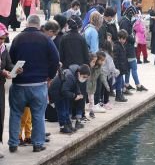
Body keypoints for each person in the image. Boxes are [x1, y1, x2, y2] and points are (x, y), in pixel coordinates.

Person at [8, 14, 60, 153]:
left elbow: (10, 59)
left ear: (27, 23)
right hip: (39, 84)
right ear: (39, 25)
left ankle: (13, 144)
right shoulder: (45, 39)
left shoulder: (17, 39)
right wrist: (50, 76)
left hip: (19, 84)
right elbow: (56, 59)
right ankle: (38, 144)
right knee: (38, 115)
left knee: (15, 114)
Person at [49, 64, 89, 133]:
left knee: (67, 108)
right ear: (79, 73)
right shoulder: (70, 76)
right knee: (62, 109)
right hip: (57, 93)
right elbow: (64, 90)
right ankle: (63, 126)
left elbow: (76, 86)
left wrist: (78, 93)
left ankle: (68, 124)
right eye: (84, 77)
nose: (84, 79)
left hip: (62, 92)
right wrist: (74, 96)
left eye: (86, 78)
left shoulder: (75, 75)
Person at [119, 6, 148, 92]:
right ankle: (138, 85)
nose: (135, 16)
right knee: (134, 67)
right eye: (134, 14)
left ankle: (126, 84)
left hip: (127, 48)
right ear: (131, 13)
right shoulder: (125, 22)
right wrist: (134, 39)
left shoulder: (125, 20)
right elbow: (124, 35)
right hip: (129, 48)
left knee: (128, 68)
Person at [0, 23, 14, 158]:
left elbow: (8, 64)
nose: (2, 41)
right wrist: (2, 72)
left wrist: (15, 68)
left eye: (3, 38)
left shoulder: (3, 49)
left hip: (0, 87)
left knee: (0, 115)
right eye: (0, 38)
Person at [87, 52, 108, 118]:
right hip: (87, 86)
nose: (102, 62)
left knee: (91, 100)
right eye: (101, 60)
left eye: (103, 61)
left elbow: (102, 76)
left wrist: (106, 85)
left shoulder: (99, 67)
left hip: (92, 86)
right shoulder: (89, 66)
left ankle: (91, 112)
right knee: (87, 99)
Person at [113, 30, 129, 102]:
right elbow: (115, 58)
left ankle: (120, 94)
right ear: (119, 38)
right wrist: (117, 68)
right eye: (123, 39)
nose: (124, 40)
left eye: (125, 39)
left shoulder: (122, 45)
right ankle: (118, 95)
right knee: (119, 81)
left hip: (122, 67)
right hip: (118, 68)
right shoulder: (117, 46)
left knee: (120, 81)